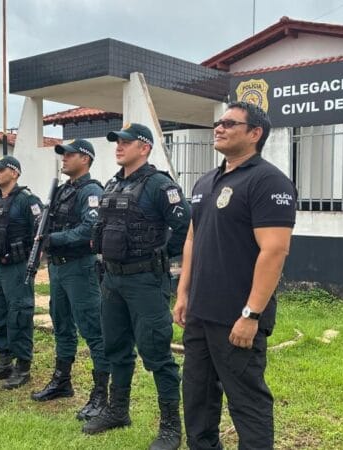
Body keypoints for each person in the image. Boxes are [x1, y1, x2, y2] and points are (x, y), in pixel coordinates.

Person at [173, 102, 296, 450]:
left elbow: (274, 250)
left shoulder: (268, 181)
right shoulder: (206, 180)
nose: (219, 128)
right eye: (218, 122)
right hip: (199, 313)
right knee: (197, 397)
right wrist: (183, 294)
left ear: (255, 133)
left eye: (229, 123)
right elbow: (192, 239)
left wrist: (251, 314)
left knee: (247, 403)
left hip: (237, 317)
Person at [84, 123, 191, 450]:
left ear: (144, 148)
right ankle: (118, 411)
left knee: (157, 352)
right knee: (115, 347)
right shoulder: (113, 183)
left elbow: (186, 227)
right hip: (112, 279)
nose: (119, 147)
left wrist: (166, 265)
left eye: (126, 142)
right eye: (117, 142)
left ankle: (171, 427)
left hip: (145, 281)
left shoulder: (160, 186)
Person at [30, 139, 109, 422]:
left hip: (79, 267)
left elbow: (89, 230)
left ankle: (101, 394)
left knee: (92, 328)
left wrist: (53, 239)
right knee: (61, 323)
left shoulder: (91, 190)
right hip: (58, 268)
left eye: (70, 154)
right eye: (63, 154)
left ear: (85, 159)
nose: (64, 158)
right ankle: (62, 381)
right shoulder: (63, 190)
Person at [0, 156, 43, 390]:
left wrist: (32, 266)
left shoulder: (27, 200)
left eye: (0, 169)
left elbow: (40, 233)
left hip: (17, 267)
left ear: (14, 173)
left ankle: (23, 365)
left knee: (19, 314)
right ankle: (4, 360)